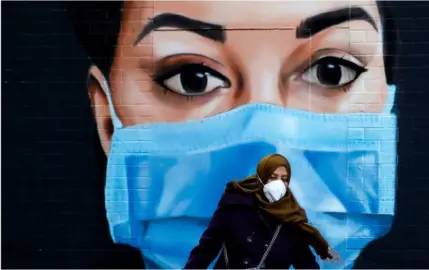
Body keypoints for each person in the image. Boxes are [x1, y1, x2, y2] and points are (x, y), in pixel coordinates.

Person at [68, 1, 399, 269]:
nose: (266, 137)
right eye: (192, 78)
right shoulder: (236, 209)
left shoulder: (290, 220)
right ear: (108, 121)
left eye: (331, 72)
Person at [184, 154, 339, 269]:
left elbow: (305, 263)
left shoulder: (292, 218)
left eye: (284, 179)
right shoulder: (234, 205)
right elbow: (205, 250)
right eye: (273, 177)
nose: (279, 183)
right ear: (262, 177)